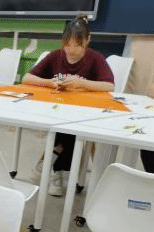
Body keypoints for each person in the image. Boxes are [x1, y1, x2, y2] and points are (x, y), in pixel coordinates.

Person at [22, 15, 114, 196]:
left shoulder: (94, 58)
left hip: (84, 113)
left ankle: (53, 164)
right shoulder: (56, 55)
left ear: (87, 40)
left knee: (71, 130)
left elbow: (109, 85)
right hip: (57, 109)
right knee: (65, 129)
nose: (71, 50)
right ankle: (56, 167)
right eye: (67, 45)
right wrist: (49, 82)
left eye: (77, 45)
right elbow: (27, 77)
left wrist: (83, 83)